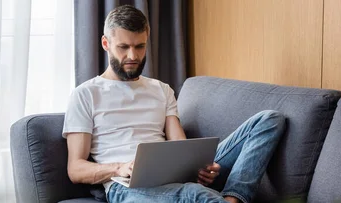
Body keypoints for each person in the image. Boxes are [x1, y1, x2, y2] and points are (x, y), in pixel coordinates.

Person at [63, 5, 285, 203]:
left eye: (140, 46)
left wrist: (198, 167)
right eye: (123, 47)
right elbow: (76, 168)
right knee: (194, 194)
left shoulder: (161, 89)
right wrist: (120, 167)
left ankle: (232, 197)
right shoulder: (86, 94)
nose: (133, 55)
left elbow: (179, 144)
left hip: (174, 176)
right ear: (106, 44)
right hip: (127, 188)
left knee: (269, 120)